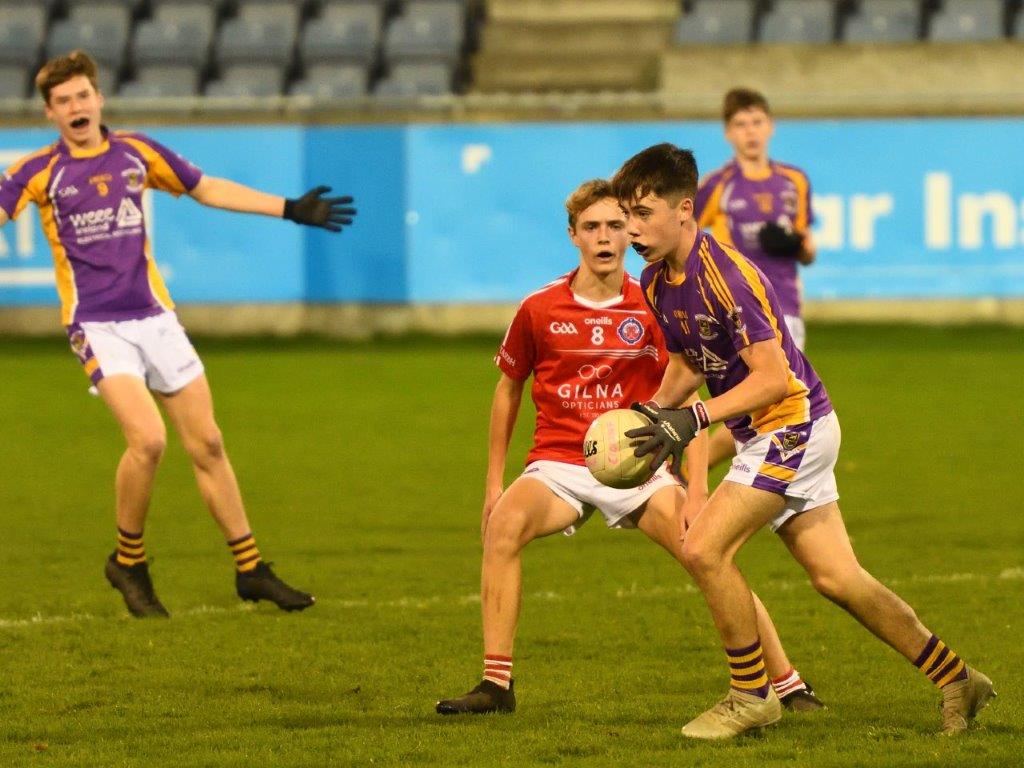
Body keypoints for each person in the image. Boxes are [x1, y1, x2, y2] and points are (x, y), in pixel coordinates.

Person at [610, 143, 994, 738]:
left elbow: (771, 379)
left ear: (685, 209)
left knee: (704, 550)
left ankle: (751, 695)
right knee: (838, 579)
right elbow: (691, 357)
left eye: (643, 213)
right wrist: (656, 413)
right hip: (777, 431)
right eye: (625, 216)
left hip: (791, 427)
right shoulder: (658, 281)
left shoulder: (727, 277)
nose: (631, 229)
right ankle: (958, 679)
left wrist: (697, 418)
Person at [435, 179, 821, 715]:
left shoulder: (657, 304)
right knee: (503, 527)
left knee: (705, 553)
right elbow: (509, 387)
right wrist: (494, 484)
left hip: (641, 462)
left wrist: (695, 490)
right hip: (560, 462)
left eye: (616, 225)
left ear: (630, 232)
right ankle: (496, 685)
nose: (605, 237)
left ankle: (787, 683)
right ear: (573, 235)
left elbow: (690, 392)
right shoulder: (539, 308)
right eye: (592, 227)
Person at [0, 51, 356, 617]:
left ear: (99, 99)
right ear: (49, 113)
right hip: (96, 324)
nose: (76, 107)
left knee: (208, 443)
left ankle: (250, 569)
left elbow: (205, 187)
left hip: (154, 317)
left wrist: (289, 208)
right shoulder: (39, 171)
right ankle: (129, 562)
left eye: (83, 95)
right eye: (63, 100)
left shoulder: (137, 152)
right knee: (148, 440)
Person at [694, 88, 816, 471]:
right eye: (740, 124)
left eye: (757, 122)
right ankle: (702, 472)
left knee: (776, 402)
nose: (750, 131)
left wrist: (794, 243)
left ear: (771, 127)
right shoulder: (717, 185)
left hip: (787, 307)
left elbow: (809, 251)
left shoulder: (793, 181)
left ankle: (711, 474)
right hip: (740, 309)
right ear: (728, 133)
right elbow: (689, 241)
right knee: (759, 404)